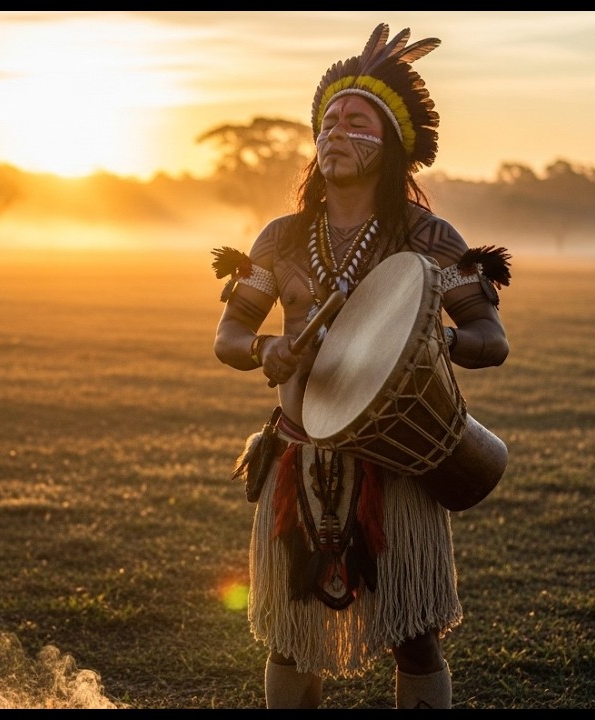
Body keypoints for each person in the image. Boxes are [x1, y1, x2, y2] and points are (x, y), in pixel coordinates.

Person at [211, 22, 510, 709]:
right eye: (328, 121)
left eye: (355, 120)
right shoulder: (281, 239)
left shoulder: (429, 238)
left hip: (395, 462)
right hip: (299, 456)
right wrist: (265, 350)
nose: (335, 132)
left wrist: (435, 340)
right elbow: (228, 336)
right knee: (292, 636)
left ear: (391, 141)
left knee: (416, 634)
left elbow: (491, 339)